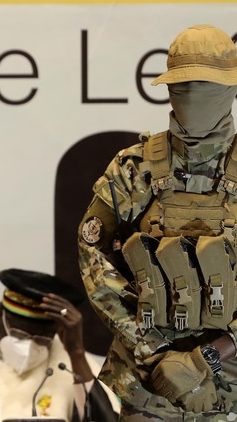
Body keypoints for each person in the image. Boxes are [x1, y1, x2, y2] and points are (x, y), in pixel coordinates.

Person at [78, 24, 237, 420]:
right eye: (183, 86)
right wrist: (154, 353)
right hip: (149, 385)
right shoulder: (135, 168)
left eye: (206, 85)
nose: (192, 98)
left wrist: (210, 357)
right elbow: (93, 260)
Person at [0, 269, 119, 421]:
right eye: (20, 334)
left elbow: (105, 420)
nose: (29, 345)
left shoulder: (69, 366)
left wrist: (76, 352)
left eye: (41, 338)